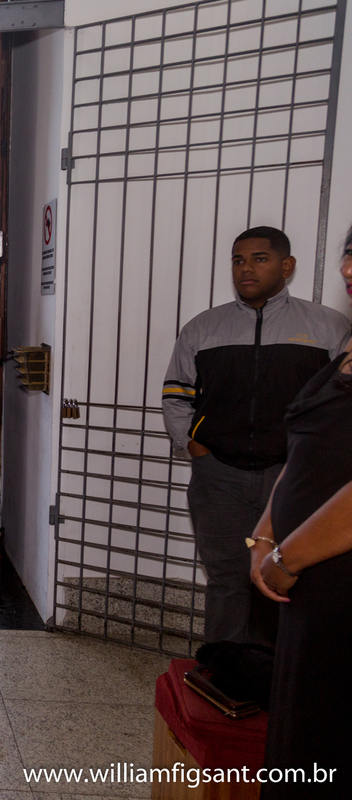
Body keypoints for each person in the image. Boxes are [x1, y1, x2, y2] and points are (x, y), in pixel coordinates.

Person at [162, 226, 349, 647]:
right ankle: (222, 674)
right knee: (227, 581)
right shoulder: (202, 328)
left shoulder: (328, 328)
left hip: (294, 479)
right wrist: (195, 447)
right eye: (238, 260)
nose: (246, 268)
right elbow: (176, 395)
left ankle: (274, 683)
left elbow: (339, 412)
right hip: (219, 479)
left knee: (286, 579)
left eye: (259, 259)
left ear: (287, 266)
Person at [249, 224, 352, 799]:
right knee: (300, 738)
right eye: (349, 252)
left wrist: (286, 558)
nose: (350, 268)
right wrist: (264, 534)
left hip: (338, 579)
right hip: (308, 585)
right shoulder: (347, 348)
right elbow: (308, 449)